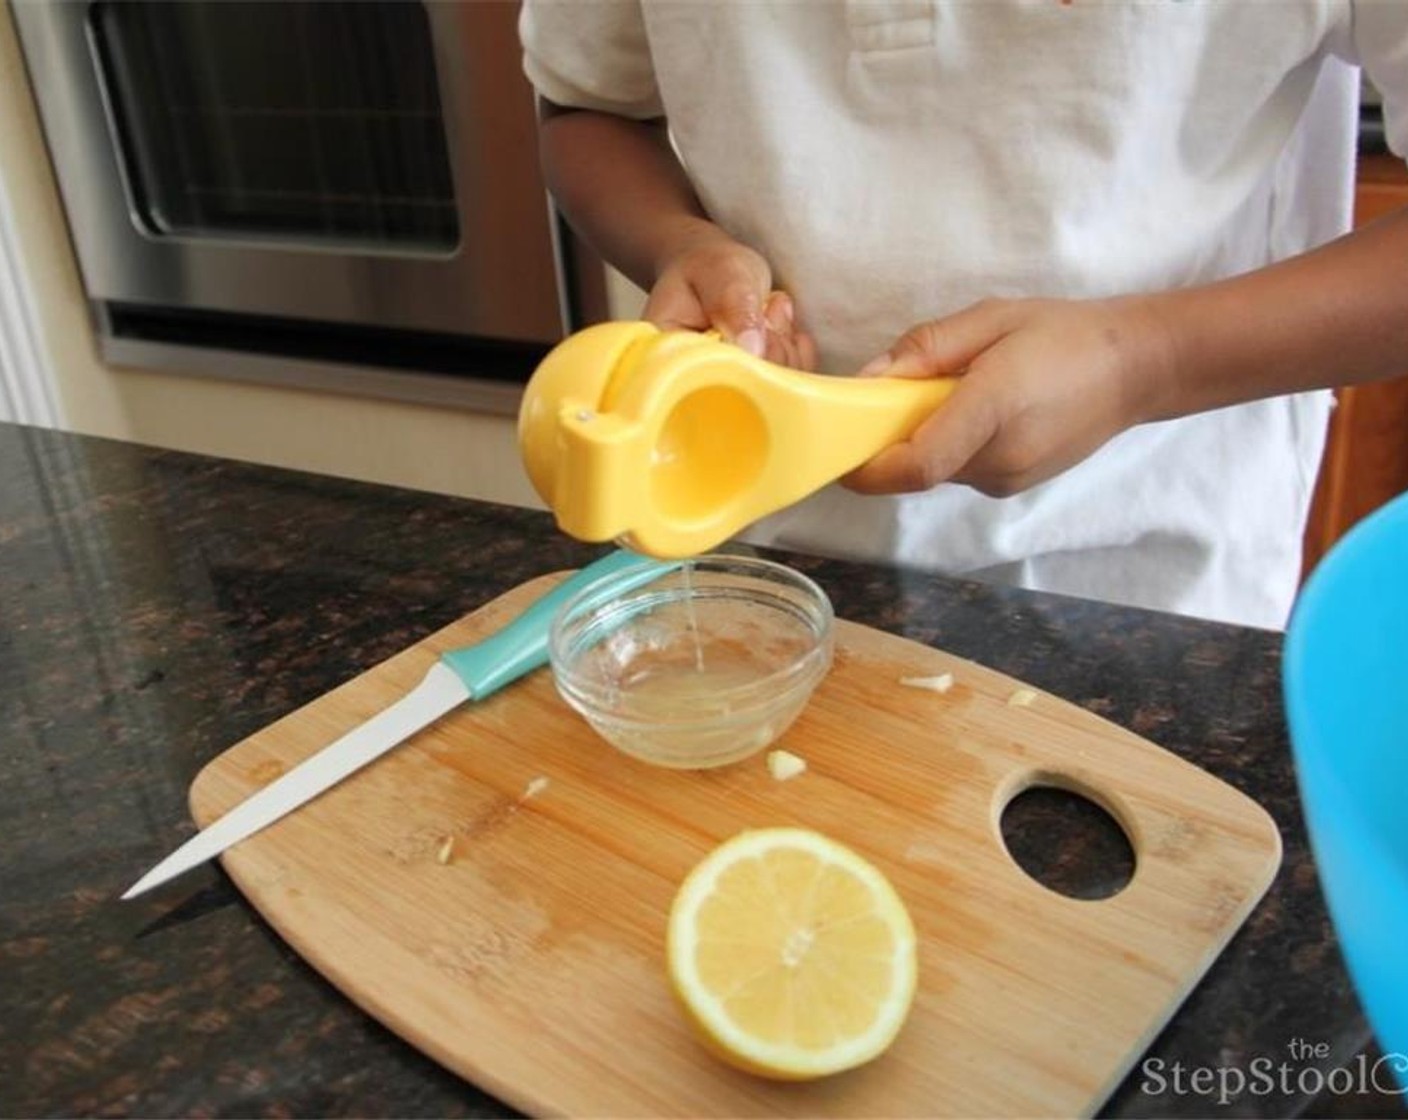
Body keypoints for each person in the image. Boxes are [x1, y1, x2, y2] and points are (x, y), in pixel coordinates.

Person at [517, 1, 1408, 629]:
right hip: (757, 545)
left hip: (1156, 568)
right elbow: (586, 100)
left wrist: (1147, 360)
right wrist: (680, 244)